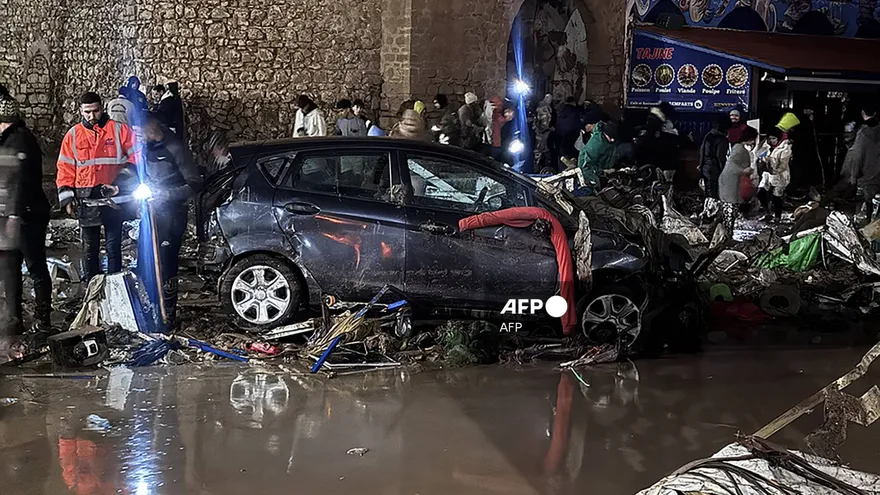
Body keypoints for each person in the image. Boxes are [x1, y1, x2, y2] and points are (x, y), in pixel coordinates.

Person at [56, 92, 137, 282]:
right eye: (87, 112)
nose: (92, 116)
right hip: (86, 198)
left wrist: (121, 183)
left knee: (113, 246)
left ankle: (115, 286)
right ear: (80, 111)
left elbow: (137, 157)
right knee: (89, 247)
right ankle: (91, 288)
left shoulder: (119, 130)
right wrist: (67, 197)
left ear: (103, 108)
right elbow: (65, 167)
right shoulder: (73, 135)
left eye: (96, 111)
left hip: (113, 196)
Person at [130, 117, 202, 328]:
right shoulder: (144, 148)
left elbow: (195, 184)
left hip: (172, 215)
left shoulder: (175, 148)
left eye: (140, 133)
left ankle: (168, 314)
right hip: (150, 214)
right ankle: (150, 309)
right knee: (145, 262)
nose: (138, 138)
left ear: (152, 127)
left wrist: (167, 195)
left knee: (166, 264)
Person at [0, 96, 52, 334]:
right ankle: (13, 319)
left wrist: (13, 214)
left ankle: (43, 317)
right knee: (10, 267)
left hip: (26, 216)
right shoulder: (6, 141)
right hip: (10, 216)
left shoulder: (20, 141)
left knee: (34, 265)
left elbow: (20, 182)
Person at [842, 102, 880, 220]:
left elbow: (857, 156)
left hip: (867, 177)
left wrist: (853, 176)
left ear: (863, 113)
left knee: (866, 209)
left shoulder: (863, 134)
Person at [718, 126, 758, 235]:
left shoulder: (739, 148)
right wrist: (744, 171)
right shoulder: (739, 149)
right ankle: (726, 235)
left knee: (730, 209)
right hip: (730, 183)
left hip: (731, 182)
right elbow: (732, 166)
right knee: (730, 209)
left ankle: (727, 233)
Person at [757, 126, 793, 222]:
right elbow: (758, 153)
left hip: (780, 176)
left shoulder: (785, 148)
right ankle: (767, 213)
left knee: (777, 197)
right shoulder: (767, 146)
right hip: (768, 175)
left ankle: (777, 217)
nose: (772, 140)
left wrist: (772, 169)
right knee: (760, 193)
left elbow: (783, 165)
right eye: (770, 138)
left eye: (774, 138)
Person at [576, 120, 619, 190]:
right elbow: (585, 166)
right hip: (591, 175)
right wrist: (603, 171)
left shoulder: (608, 141)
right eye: (610, 138)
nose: (612, 140)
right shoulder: (596, 145)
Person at [699, 115, 730, 200]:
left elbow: (702, 150)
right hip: (714, 168)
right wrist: (723, 171)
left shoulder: (708, 135)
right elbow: (720, 157)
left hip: (705, 166)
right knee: (714, 193)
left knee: (708, 192)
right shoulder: (722, 139)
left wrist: (700, 165)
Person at [533, 94, 554, 169]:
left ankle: (545, 166)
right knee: (539, 150)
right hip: (542, 133)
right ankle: (536, 167)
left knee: (544, 149)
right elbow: (544, 122)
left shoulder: (543, 107)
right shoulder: (544, 108)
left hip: (543, 132)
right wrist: (545, 129)